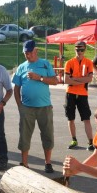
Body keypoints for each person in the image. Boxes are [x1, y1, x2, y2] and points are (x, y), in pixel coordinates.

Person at [13, 40, 58, 173]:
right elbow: (16, 88)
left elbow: (55, 81)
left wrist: (39, 78)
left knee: (47, 134)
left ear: (36, 51)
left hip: (45, 107)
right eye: (26, 53)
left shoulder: (45, 64)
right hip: (27, 108)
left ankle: (48, 163)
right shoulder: (21, 67)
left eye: (30, 52)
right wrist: (19, 106)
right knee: (25, 135)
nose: (28, 55)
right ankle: (24, 163)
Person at [63, 41, 94, 151]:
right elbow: (66, 80)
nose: (79, 52)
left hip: (83, 94)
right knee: (70, 118)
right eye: (77, 49)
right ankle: (74, 139)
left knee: (86, 118)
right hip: (70, 93)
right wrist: (82, 80)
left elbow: (89, 79)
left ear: (85, 49)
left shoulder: (89, 62)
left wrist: (74, 80)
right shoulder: (69, 63)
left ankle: (91, 142)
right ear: (74, 49)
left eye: (81, 49)